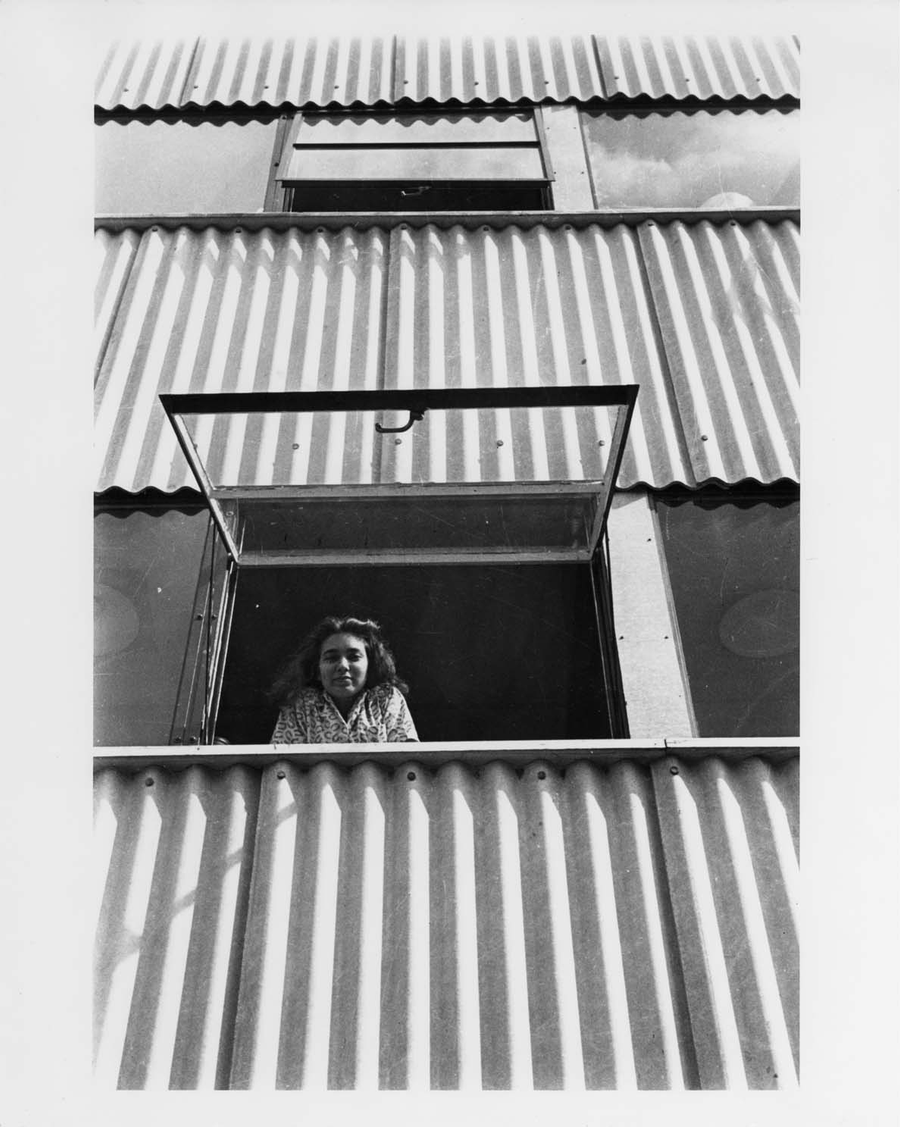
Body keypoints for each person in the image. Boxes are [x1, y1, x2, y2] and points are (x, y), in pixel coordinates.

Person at [270, 615, 418, 744]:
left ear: (370, 666)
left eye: (354, 657)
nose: (342, 666)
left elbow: (408, 765)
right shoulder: (300, 705)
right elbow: (283, 767)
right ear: (317, 670)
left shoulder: (386, 699)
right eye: (332, 658)